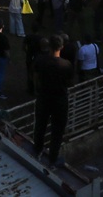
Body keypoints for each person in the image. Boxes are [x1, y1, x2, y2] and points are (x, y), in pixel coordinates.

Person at [32, 35, 76, 163]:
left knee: (40, 124)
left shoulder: (41, 60)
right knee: (57, 130)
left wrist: (37, 88)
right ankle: (53, 158)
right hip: (60, 100)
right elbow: (70, 83)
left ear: (49, 46)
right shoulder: (66, 65)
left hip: (44, 97)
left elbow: (35, 75)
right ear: (61, 47)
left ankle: (37, 149)